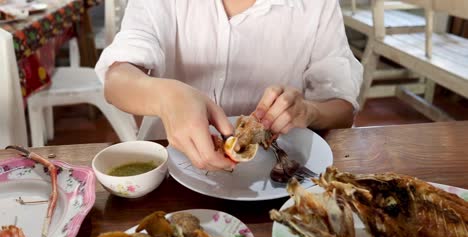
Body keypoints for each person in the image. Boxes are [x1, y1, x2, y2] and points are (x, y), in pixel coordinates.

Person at [95, 0, 363, 172]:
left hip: (277, 177)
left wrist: (309, 111)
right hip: (170, 169)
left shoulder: (317, 6)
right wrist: (167, 96)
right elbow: (117, 80)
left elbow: (342, 108)